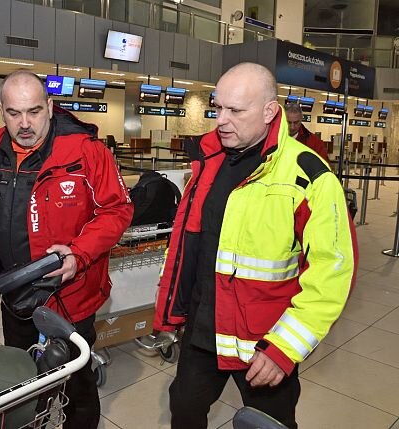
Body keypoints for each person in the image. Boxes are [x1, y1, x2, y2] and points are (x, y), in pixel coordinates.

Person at [153, 63, 357, 429]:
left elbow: (332, 272)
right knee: (184, 412)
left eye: (236, 110)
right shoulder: (209, 161)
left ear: (269, 111)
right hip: (202, 331)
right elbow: (192, 244)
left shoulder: (309, 175)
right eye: (219, 108)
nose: (222, 120)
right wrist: (173, 312)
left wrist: (284, 350)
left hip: (263, 343)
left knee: (269, 424)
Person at [0, 70, 133, 429]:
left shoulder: (85, 151)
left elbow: (118, 209)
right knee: (23, 379)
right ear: (1, 111)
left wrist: (78, 253)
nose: (25, 123)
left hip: (69, 296)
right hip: (15, 290)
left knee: (77, 386)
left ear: (50, 106)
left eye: (34, 111)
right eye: (14, 113)